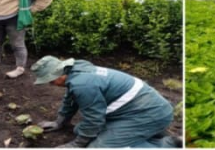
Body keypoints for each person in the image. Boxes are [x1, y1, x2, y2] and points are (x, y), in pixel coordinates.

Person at [32, 56, 180, 148]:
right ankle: (150, 135)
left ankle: (168, 144)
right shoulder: (76, 70)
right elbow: (70, 100)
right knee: (79, 130)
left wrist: (76, 145)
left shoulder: (83, 84)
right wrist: (59, 122)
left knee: (98, 147)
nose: (50, 84)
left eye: (50, 80)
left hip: (149, 114)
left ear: (59, 74)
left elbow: (94, 120)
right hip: (136, 111)